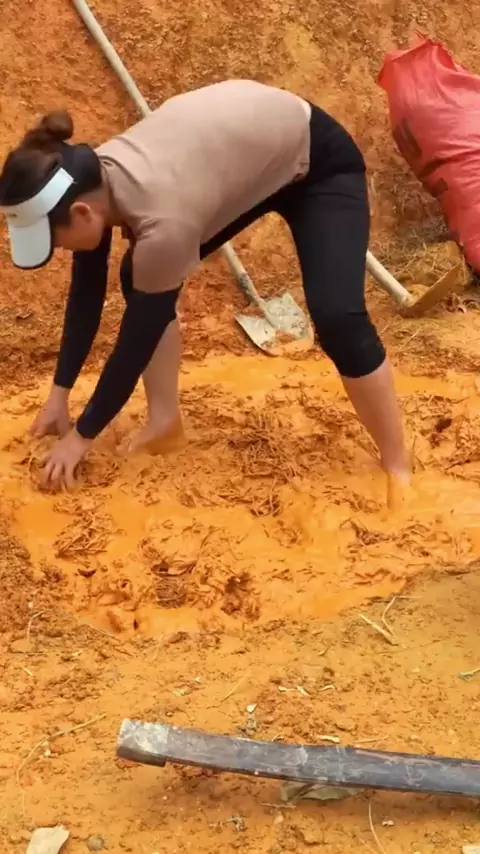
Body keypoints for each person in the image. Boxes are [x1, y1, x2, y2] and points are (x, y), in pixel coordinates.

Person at [0, 80, 410, 497]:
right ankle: (165, 424)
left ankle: (398, 466)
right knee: (139, 275)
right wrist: (59, 395)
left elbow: (137, 338)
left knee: (338, 317)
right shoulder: (89, 180)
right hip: (255, 154)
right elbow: (87, 292)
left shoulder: (161, 221)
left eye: (55, 241)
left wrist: (81, 437)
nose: (59, 250)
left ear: (82, 213)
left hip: (317, 160)